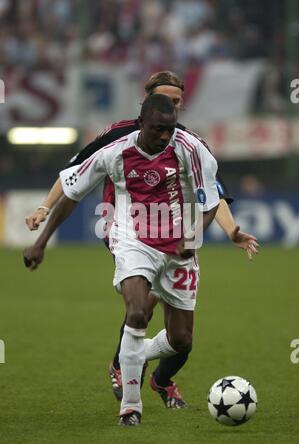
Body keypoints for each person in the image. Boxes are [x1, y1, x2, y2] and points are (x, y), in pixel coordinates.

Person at [25, 71, 258, 408]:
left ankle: (148, 371)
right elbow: (75, 173)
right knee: (143, 303)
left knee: (180, 336)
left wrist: (230, 230)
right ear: (145, 100)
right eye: (167, 99)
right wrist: (44, 207)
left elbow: (213, 196)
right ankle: (125, 371)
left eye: (178, 102)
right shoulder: (118, 134)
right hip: (125, 226)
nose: (174, 106)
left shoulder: (189, 144)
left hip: (175, 232)